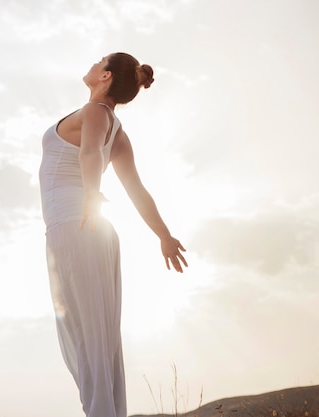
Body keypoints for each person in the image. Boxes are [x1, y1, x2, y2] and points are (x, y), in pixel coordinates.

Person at [39, 52, 188, 417]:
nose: (92, 62)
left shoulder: (94, 114)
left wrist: (91, 194)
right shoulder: (116, 130)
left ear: (105, 76)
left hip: (77, 226)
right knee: (100, 345)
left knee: (87, 343)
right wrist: (163, 236)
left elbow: (90, 154)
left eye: (100, 60)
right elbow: (137, 190)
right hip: (93, 232)